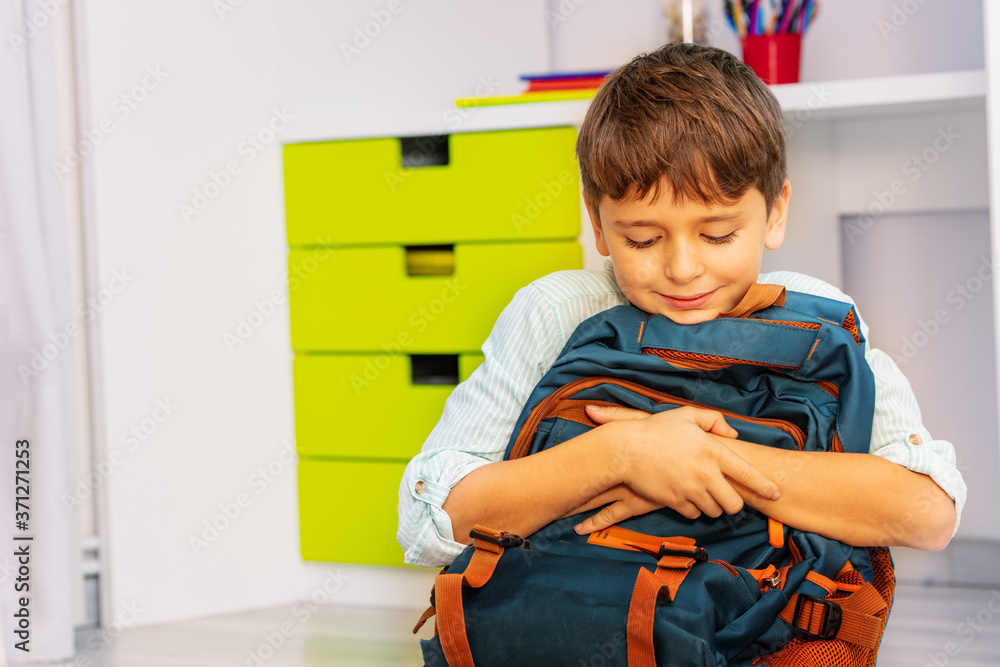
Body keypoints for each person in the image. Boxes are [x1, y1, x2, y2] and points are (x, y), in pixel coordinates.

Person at [397, 42, 965, 570]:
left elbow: (928, 512)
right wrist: (619, 454)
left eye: (717, 235)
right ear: (598, 225)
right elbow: (426, 521)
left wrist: (696, 459)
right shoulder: (556, 312)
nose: (682, 269)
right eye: (641, 240)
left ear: (775, 212)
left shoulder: (821, 319)